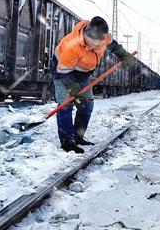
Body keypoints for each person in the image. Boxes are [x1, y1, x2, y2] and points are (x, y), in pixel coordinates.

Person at [50, 16, 135, 153]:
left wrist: (124, 55)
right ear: (86, 34)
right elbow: (64, 72)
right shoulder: (71, 45)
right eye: (93, 42)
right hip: (63, 71)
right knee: (65, 104)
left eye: (99, 43)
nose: (96, 46)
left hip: (83, 73)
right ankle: (67, 142)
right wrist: (75, 92)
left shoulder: (103, 38)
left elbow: (113, 45)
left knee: (87, 104)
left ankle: (78, 137)